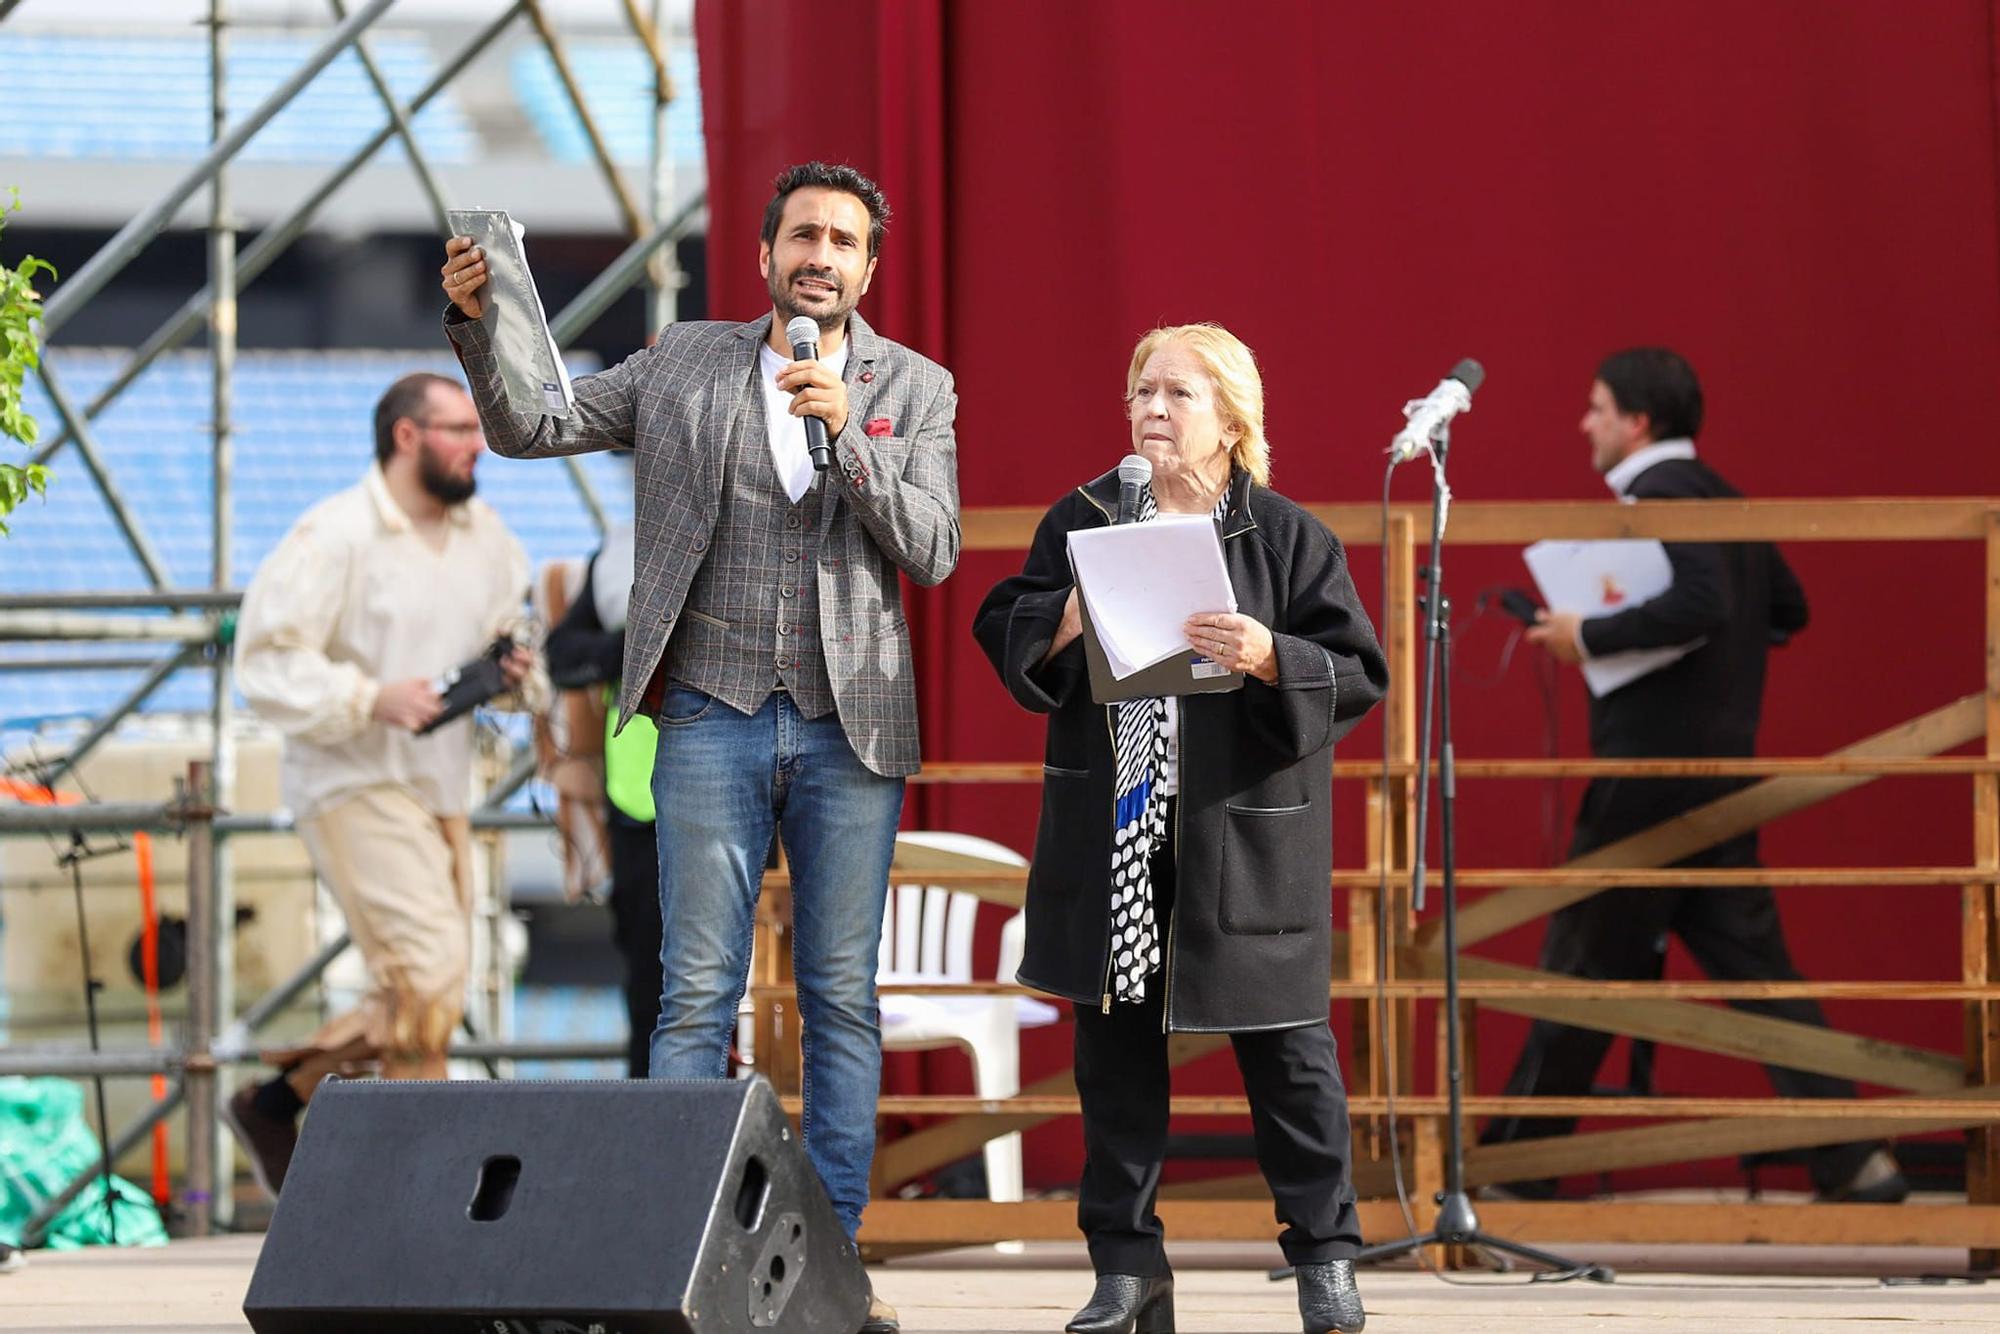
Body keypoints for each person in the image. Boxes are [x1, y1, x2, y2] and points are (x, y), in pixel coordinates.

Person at [440, 161, 958, 1334]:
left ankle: (830, 1269)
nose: (819, 255)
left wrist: (851, 442)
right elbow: (534, 426)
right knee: (694, 997)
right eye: (800, 236)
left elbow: (929, 549)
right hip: (710, 711)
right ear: (766, 254)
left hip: (847, 721)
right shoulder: (681, 360)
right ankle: (659, 1260)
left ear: (869, 267)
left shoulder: (912, 386)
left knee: (838, 999)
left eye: (842, 240)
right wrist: (479, 324)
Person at [975, 324, 1388, 1334]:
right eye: (1139, 391)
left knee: (1289, 1060)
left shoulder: (1288, 537)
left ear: (1232, 417)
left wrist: (1266, 654)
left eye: (1176, 393)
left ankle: (1324, 1261)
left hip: (1241, 838)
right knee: (1113, 1062)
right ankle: (1124, 1270)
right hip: (1113, 825)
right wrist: (1062, 618)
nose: (1151, 410)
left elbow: (1356, 674)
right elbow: (1007, 621)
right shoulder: (1081, 517)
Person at [1483, 346, 1906, 1203]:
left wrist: (1588, 638)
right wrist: (1716, 667)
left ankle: (1510, 1171)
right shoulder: (1724, 498)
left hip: (1649, 777)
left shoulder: (1658, 498)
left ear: (1638, 422)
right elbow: (1785, 607)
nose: (1585, 424)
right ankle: (1857, 1160)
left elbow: (1705, 603)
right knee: (1758, 979)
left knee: (1581, 966)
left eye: (1597, 408)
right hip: (1720, 777)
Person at [223, 371, 545, 1197]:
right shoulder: (333, 535)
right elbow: (264, 666)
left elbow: (512, 634)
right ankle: (425, 1197)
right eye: (459, 430)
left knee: (426, 990)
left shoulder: (487, 537)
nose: (479, 445)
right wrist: (370, 697)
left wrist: (508, 669)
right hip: (352, 778)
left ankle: (280, 1102)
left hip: (441, 784)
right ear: (407, 436)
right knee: (431, 973)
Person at [543, 517, 663, 1078]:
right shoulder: (625, 545)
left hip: (752, 808)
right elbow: (563, 653)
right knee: (652, 998)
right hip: (642, 808)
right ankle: (658, 1150)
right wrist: (636, 647)